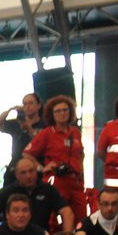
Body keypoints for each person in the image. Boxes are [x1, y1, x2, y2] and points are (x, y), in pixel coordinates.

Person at [26, 94, 86, 225]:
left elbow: (80, 155)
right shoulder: (47, 133)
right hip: (56, 180)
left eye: (65, 110)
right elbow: (27, 154)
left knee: (81, 218)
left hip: (75, 181)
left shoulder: (75, 132)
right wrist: (41, 168)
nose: (62, 113)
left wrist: (81, 175)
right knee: (55, 219)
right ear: (51, 114)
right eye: (58, 111)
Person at [0, 156, 72, 234]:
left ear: (36, 171)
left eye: (31, 171)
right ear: (17, 175)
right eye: (23, 173)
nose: (28, 176)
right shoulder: (8, 191)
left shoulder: (48, 189)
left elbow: (67, 212)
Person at [0, 92, 43, 181]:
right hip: (16, 166)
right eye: (25, 104)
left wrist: (29, 130)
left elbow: (41, 142)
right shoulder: (17, 123)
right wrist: (10, 110)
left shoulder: (45, 124)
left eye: (31, 103)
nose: (27, 106)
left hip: (36, 166)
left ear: (39, 105)